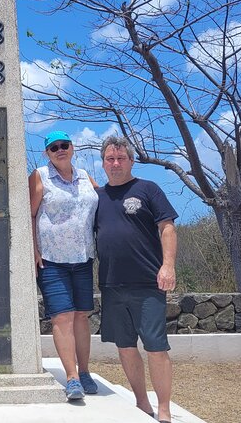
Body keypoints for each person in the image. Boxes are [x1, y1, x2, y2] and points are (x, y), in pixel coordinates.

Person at [95, 136, 177, 423]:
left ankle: (164, 410)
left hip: (147, 284)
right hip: (111, 284)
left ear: (130, 160)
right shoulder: (98, 197)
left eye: (120, 158)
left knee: (156, 347)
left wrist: (168, 266)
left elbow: (167, 227)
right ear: (103, 163)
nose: (115, 163)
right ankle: (142, 404)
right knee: (126, 347)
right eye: (109, 159)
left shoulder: (148, 189)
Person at [29, 131, 99, 401]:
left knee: (81, 315)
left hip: (83, 258)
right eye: (53, 147)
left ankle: (85, 371)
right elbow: (29, 214)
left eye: (64, 145)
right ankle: (71, 378)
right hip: (51, 259)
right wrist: (33, 250)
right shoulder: (40, 176)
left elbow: (102, 206)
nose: (60, 150)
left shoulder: (85, 178)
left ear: (72, 148)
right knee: (62, 317)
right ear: (47, 153)